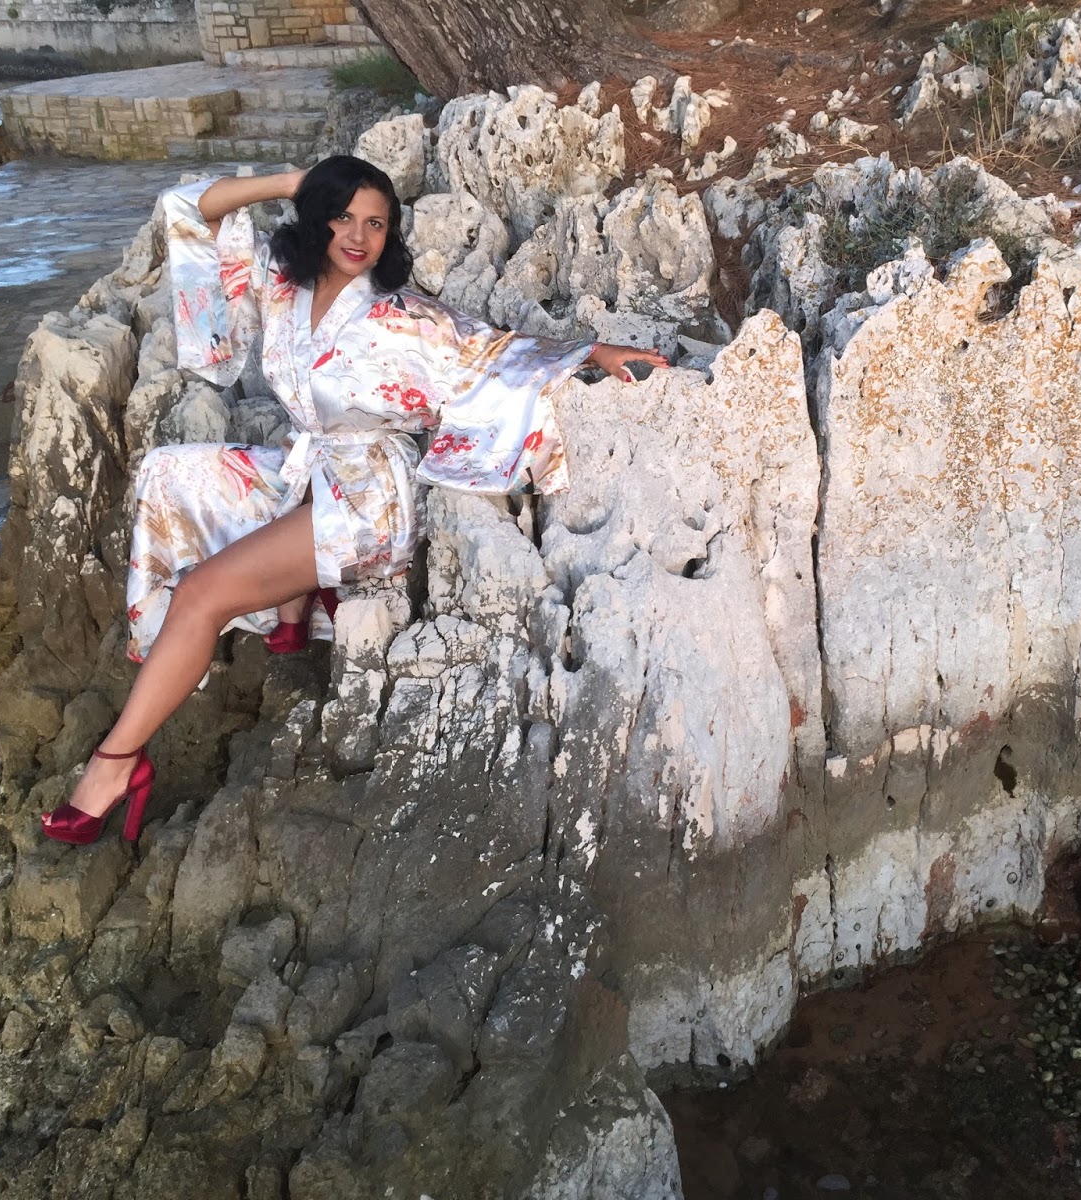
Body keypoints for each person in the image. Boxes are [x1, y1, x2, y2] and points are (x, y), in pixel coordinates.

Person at [41, 155, 667, 845]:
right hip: (309, 469)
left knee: (200, 594)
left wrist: (593, 353)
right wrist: (290, 182)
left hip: (370, 500)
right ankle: (284, 600)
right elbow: (191, 207)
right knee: (170, 472)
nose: (358, 236)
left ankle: (116, 763)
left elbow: (494, 351)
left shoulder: (402, 315)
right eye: (342, 216)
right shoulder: (283, 285)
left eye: (376, 222)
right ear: (317, 217)